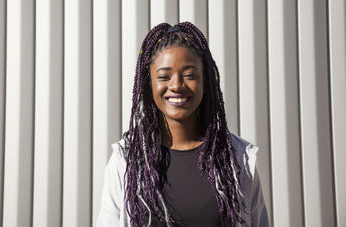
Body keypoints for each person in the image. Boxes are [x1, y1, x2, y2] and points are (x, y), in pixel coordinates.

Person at [97, 22, 270, 227]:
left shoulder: (237, 159)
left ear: (205, 81)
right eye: (164, 76)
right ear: (148, 83)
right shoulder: (126, 161)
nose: (177, 85)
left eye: (189, 75)